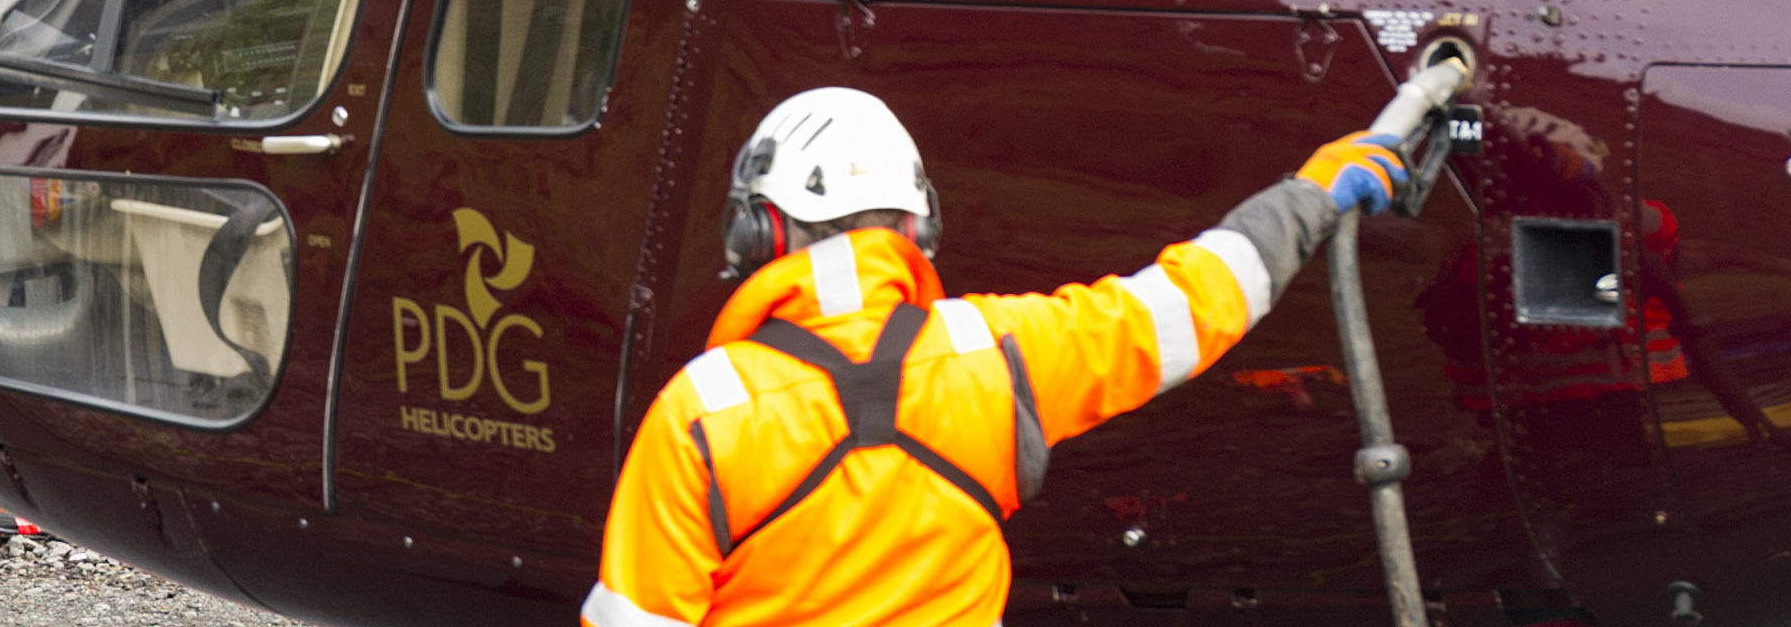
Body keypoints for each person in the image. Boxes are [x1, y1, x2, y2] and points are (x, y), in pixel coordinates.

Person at [585, 85, 1414, 627]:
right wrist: (1312, 194)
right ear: (917, 230)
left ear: (757, 230)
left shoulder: (701, 411)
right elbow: (1190, 305)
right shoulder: (996, 354)